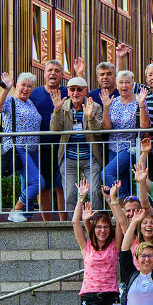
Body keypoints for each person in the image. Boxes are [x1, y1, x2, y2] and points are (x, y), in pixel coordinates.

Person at [0, 72, 44, 223]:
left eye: (29, 86)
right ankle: (15, 210)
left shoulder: (30, 103)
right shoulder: (11, 100)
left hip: (32, 150)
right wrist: (6, 89)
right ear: (17, 86)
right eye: (23, 85)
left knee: (28, 184)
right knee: (38, 183)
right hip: (18, 147)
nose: (26, 89)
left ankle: (25, 218)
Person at [51, 77, 103, 215]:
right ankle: (71, 226)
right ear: (68, 91)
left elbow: (98, 132)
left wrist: (90, 117)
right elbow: (55, 129)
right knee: (69, 194)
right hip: (69, 157)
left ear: (85, 91)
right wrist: (56, 110)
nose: (75, 93)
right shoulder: (62, 106)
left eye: (79, 89)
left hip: (90, 156)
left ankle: (97, 223)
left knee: (95, 191)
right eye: (72, 89)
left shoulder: (95, 106)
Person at [28, 59, 69, 220]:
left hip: (63, 147)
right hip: (40, 147)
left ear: (62, 75)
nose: (53, 73)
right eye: (50, 70)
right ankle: (47, 223)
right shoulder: (34, 93)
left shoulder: (68, 92)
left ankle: (63, 223)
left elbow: (84, 95)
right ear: (44, 74)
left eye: (57, 70)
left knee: (61, 186)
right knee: (43, 187)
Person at [101, 72, 149, 198]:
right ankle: (127, 212)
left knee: (106, 173)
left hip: (130, 148)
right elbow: (106, 127)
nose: (124, 85)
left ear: (132, 85)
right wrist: (105, 107)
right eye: (121, 82)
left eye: (127, 82)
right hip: (113, 147)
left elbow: (144, 126)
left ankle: (123, 200)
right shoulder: (113, 102)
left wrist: (141, 105)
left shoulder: (139, 101)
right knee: (120, 179)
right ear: (117, 85)